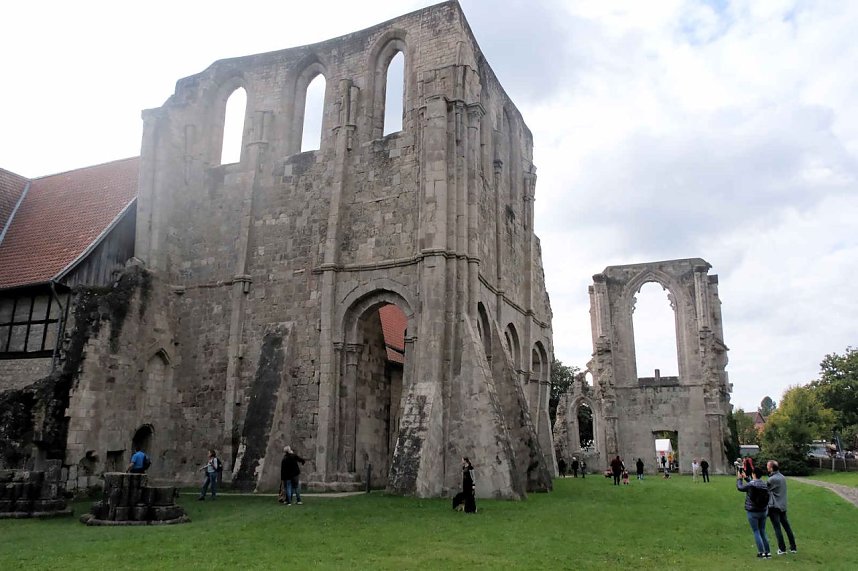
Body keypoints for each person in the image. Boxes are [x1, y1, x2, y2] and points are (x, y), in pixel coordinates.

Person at [737, 466, 771, 559]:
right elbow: (754, 486)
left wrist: (739, 479)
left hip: (752, 511)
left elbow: (740, 488)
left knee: (756, 531)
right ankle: (768, 552)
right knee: (763, 531)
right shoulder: (764, 484)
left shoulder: (751, 485)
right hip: (763, 510)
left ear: (754, 474)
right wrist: (746, 478)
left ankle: (761, 552)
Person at [766, 460, 797, 555]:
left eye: (767, 466)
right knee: (787, 527)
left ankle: (782, 549)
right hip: (782, 505)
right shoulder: (782, 477)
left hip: (774, 506)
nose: (766, 467)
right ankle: (793, 547)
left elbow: (764, 489)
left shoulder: (772, 479)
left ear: (771, 468)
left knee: (777, 528)